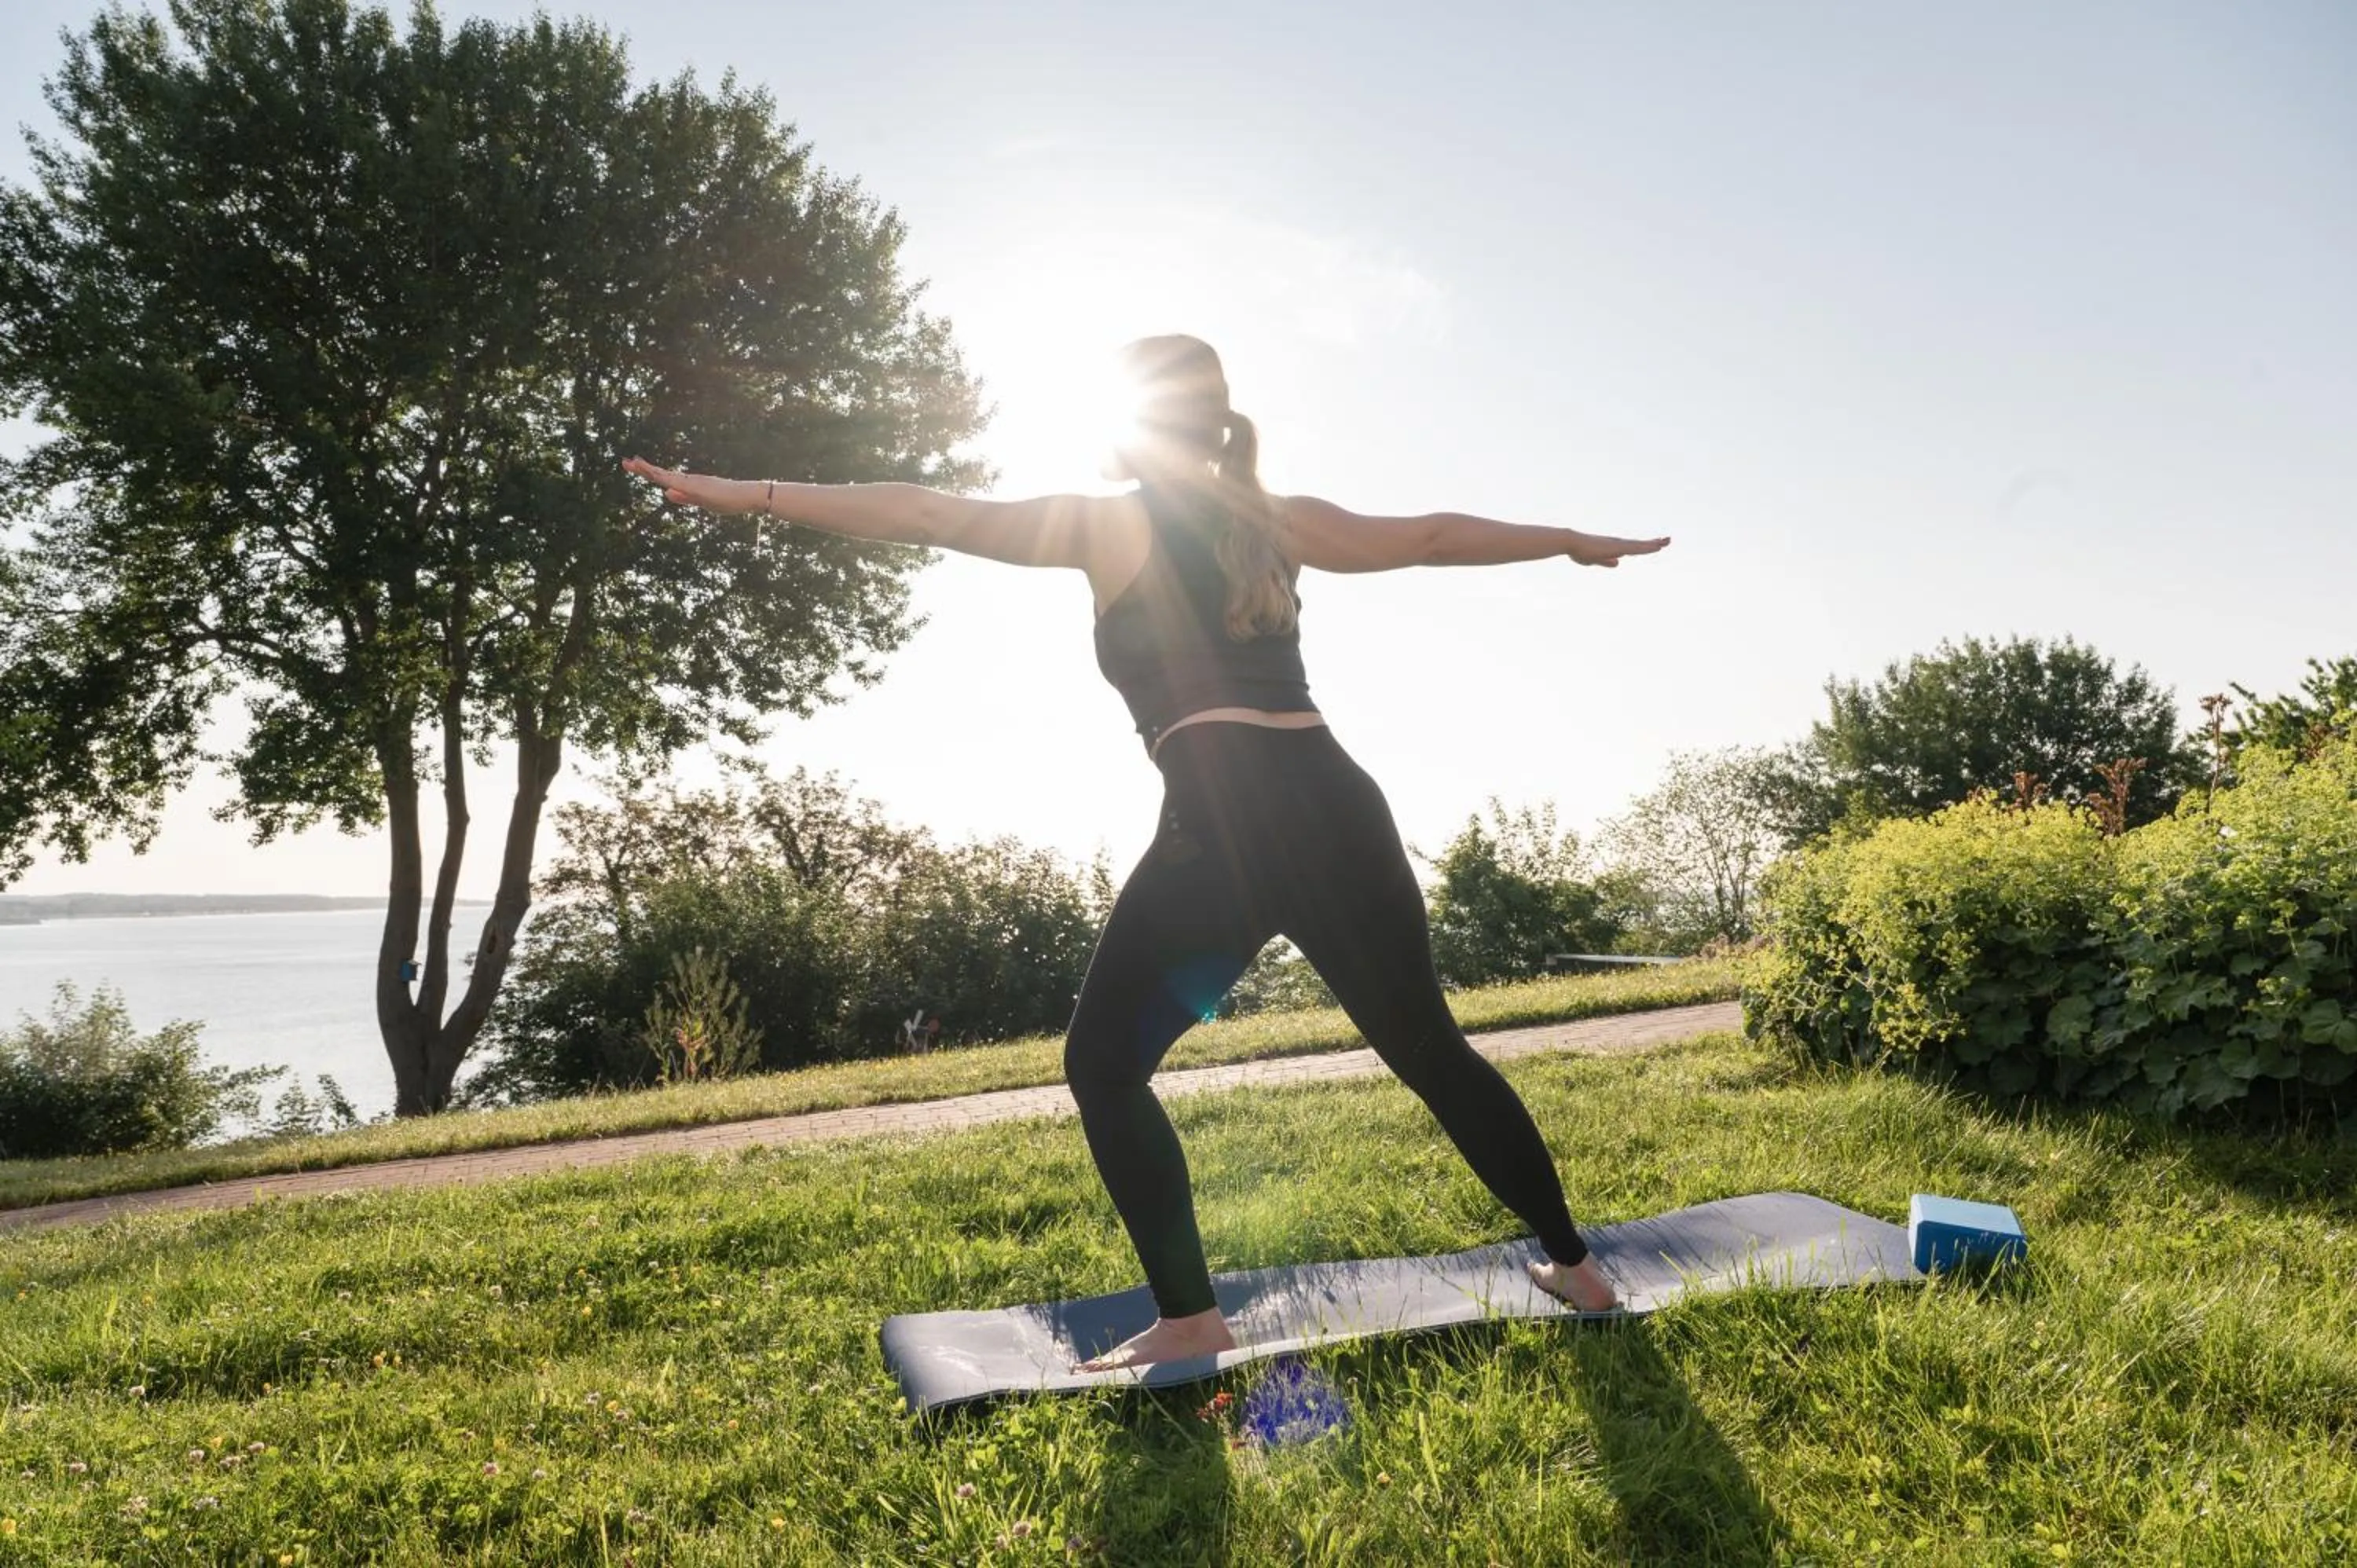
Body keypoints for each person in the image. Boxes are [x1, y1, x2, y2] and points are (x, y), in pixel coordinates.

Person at [624, 335, 1670, 1370]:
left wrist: (744, 492)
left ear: (1132, 428)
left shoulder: (1108, 526)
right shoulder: (1276, 524)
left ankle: (1191, 1318)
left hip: (1224, 823)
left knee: (1104, 1066)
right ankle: (1578, 1268)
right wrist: (1569, 538)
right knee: (1431, 1048)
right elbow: (1435, 535)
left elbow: (929, 513)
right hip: (1341, 805)